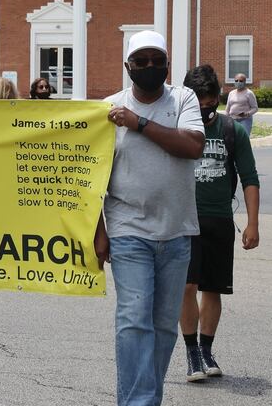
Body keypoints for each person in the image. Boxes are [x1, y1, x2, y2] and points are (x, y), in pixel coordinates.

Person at [93, 30, 205, 406]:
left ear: (167, 65)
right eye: (141, 61)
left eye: (157, 60)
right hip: (129, 230)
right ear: (128, 66)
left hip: (177, 231)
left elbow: (192, 146)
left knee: (162, 328)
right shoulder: (108, 109)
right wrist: (99, 231)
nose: (150, 67)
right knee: (134, 320)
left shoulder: (183, 98)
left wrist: (138, 123)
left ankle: (142, 400)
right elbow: (90, 178)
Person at [179, 64, 260, 382]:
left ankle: (207, 349)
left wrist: (253, 224)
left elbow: (250, 179)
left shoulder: (232, 130)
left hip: (220, 219)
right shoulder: (176, 127)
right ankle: (191, 353)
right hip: (184, 219)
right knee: (187, 286)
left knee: (213, 289)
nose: (204, 106)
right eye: (198, 100)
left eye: (210, 99)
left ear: (217, 98)